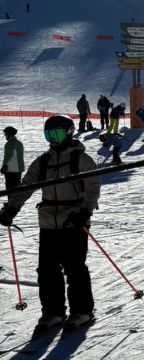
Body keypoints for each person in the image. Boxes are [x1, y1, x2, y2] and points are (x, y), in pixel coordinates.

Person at [0, 115, 100, 335]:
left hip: (73, 220)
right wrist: (12, 209)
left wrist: (85, 211)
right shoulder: (43, 161)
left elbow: (93, 185)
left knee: (74, 268)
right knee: (46, 270)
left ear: (69, 133)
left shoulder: (81, 159)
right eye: (49, 135)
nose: (53, 139)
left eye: (57, 134)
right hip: (48, 222)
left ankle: (82, 311)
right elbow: (26, 185)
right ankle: (53, 312)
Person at [2, 125, 25, 192]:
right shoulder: (20, 143)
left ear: (9, 134)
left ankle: (11, 202)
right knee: (17, 189)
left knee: (9, 189)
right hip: (19, 169)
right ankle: (16, 202)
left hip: (10, 170)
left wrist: (4, 166)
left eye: (5, 134)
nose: (5, 136)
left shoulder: (8, 144)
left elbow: (8, 156)